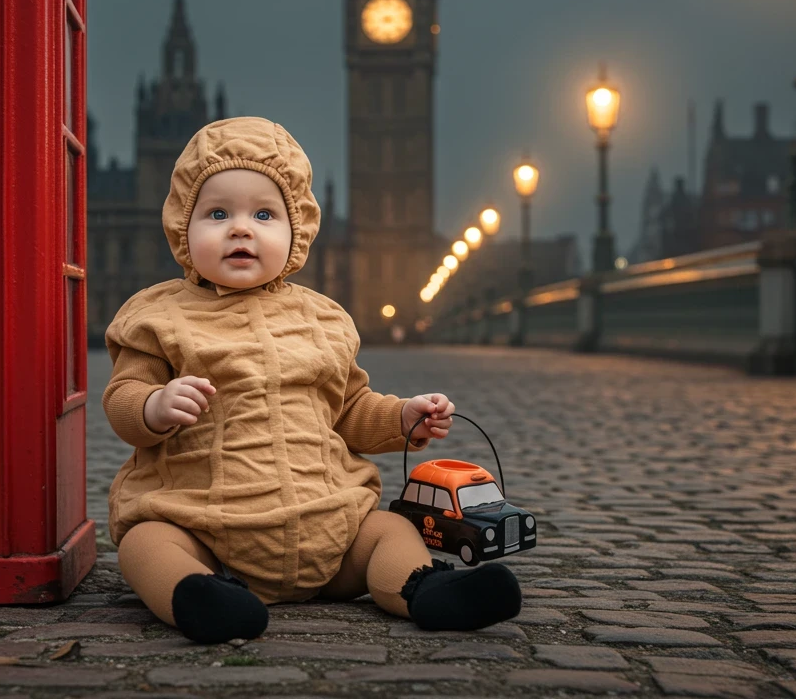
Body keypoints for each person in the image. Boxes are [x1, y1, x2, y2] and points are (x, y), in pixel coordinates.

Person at [102, 116, 522, 644]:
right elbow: (122, 397)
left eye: (263, 214)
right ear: (181, 228)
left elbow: (349, 410)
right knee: (145, 541)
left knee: (389, 529)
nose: (240, 228)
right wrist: (154, 406)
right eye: (216, 213)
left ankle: (426, 590)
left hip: (329, 529)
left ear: (296, 227)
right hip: (204, 526)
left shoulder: (324, 319)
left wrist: (403, 417)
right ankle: (198, 595)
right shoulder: (156, 317)